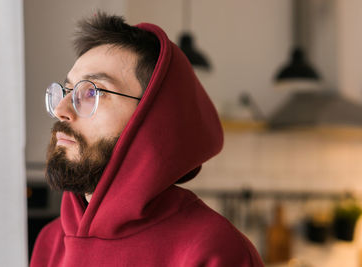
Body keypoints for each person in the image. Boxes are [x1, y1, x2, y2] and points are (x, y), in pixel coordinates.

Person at [30, 12, 264, 267]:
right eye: (66, 91)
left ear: (150, 118)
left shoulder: (214, 250)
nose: (62, 109)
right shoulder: (51, 241)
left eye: (90, 92)